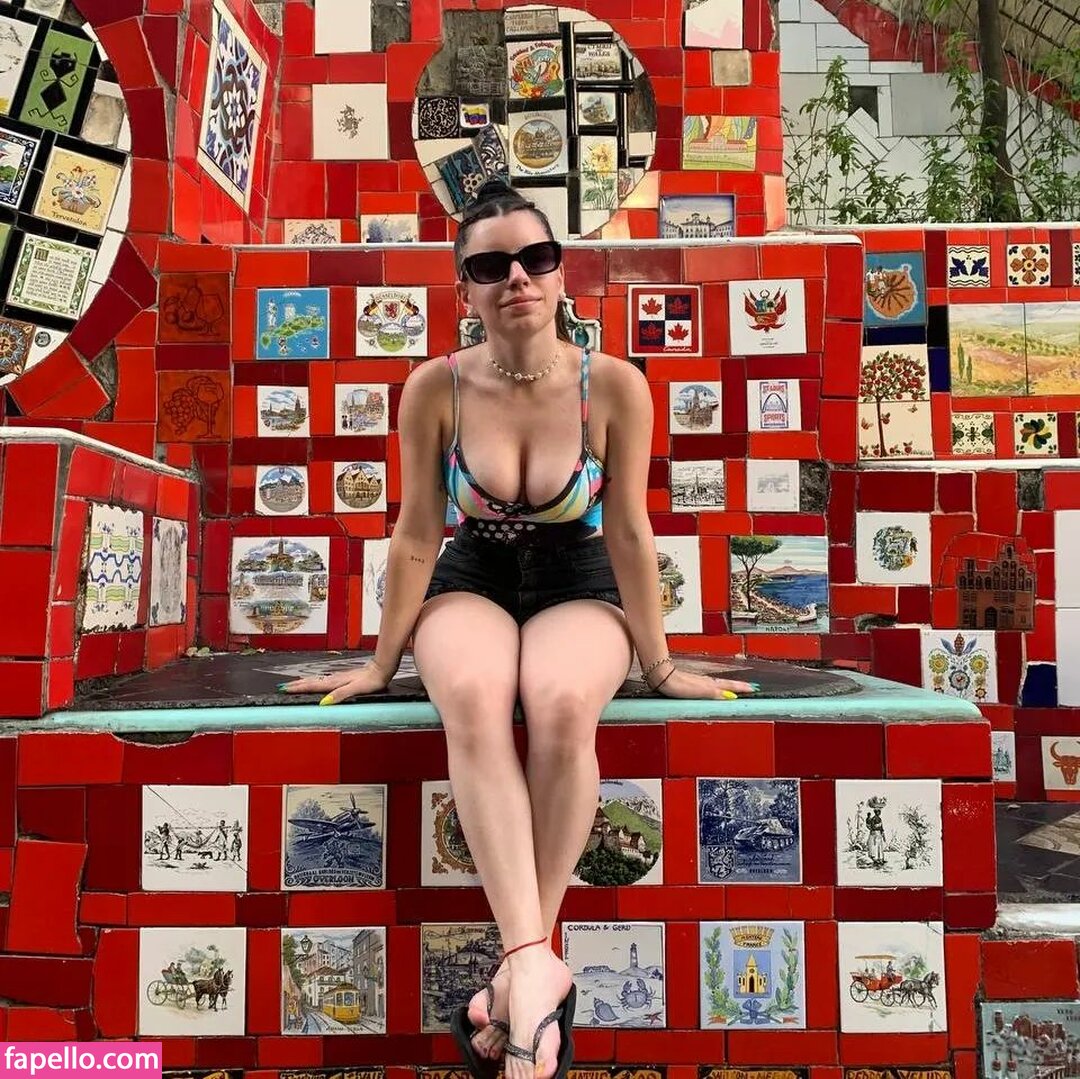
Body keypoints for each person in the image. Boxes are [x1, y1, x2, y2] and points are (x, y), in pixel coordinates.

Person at [281, 178, 757, 1079]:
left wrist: (659, 664)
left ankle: (518, 975)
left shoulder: (613, 385)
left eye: (536, 257)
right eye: (491, 265)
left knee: (563, 699)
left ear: (561, 272)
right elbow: (417, 532)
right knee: (471, 691)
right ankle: (536, 968)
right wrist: (381, 663)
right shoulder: (436, 388)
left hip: (580, 576)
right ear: (463, 287)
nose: (517, 278)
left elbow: (629, 530)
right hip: (472, 576)